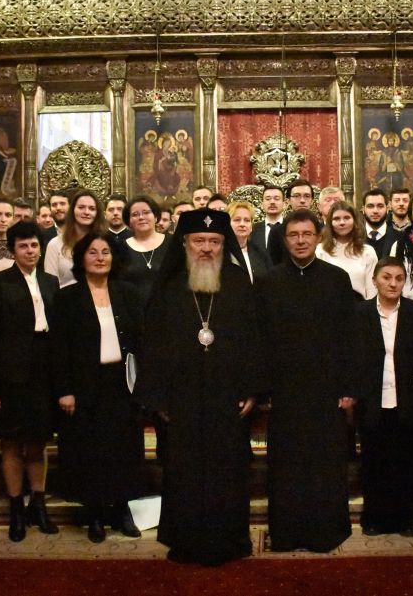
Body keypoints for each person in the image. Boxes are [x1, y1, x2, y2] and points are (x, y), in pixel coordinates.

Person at [137, 209, 266, 565]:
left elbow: (256, 341)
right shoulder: (167, 290)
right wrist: (159, 396)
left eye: (214, 241)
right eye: (199, 241)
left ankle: (232, 540)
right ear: (185, 243)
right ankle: (185, 541)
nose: (206, 248)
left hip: (228, 399)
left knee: (229, 472)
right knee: (184, 472)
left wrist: (252, 389)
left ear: (225, 245)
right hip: (182, 401)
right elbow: (151, 345)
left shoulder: (240, 286)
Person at [258, 209, 361, 553]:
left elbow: (349, 338)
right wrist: (265, 389)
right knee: (287, 465)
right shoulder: (269, 282)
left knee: (324, 464)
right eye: (293, 235)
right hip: (285, 391)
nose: (300, 241)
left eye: (306, 234)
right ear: (284, 239)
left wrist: (348, 388)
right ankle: (286, 534)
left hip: (325, 391)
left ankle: (324, 532)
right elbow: (260, 339)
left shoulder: (336, 279)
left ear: (318, 237)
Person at [52, 233, 144, 543]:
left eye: (106, 251)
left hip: (122, 383)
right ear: (81, 259)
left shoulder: (128, 293)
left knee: (124, 448)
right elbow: (59, 348)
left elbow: (142, 341)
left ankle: (121, 508)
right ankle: (94, 513)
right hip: (85, 385)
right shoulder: (67, 297)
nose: (100, 257)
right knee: (90, 450)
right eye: (93, 252)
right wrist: (64, 389)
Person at [0, 221, 60, 543]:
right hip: (11, 374)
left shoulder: (51, 281)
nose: (30, 251)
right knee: (12, 442)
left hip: (44, 372)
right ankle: (15, 508)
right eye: (24, 246)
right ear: (12, 249)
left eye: (35, 246)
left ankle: (38, 505)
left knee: (38, 441)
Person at [355, 257, 413, 537]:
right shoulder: (361, 313)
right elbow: (352, 358)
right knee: (374, 463)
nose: (392, 283)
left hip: (408, 400)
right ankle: (374, 519)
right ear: (375, 280)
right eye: (387, 277)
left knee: (408, 463)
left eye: (399, 278)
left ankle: (406, 519)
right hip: (372, 400)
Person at [43, 190, 107, 287]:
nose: (86, 212)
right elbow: (49, 286)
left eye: (92, 208)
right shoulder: (54, 244)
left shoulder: (105, 242)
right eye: (81, 207)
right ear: (72, 210)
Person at [316, 201, 378, 300]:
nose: (342, 222)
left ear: (355, 221)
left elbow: (372, 292)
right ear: (330, 223)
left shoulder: (368, 252)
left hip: (359, 308)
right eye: (336, 219)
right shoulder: (320, 250)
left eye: (347, 218)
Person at [117, 195, 170, 305]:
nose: (141, 217)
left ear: (155, 216)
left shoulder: (172, 243)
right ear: (129, 221)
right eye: (135, 214)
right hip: (132, 311)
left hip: (168, 310)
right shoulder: (120, 247)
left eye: (146, 212)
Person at [228, 201, 270, 283]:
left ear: (251, 226)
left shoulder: (260, 253)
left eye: (247, 220)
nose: (242, 224)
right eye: (237, 220)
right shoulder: (221, 253)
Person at [250, 185, 287, 265]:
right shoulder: (252, 229)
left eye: (276, 199)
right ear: (262, 204)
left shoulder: (290, 228)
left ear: (284, 203)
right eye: (268, 199)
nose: (272, 202)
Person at [362, 188, 397, 258]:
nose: (375, 211)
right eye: (370, 206)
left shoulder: (398, 238)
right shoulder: (353, 236)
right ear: (363, 210)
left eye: (380, 206)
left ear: (387, 209)